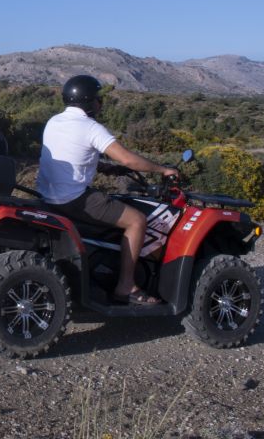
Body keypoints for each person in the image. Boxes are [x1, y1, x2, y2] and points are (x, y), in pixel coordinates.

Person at [36, 74, 178, 306]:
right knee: (137, 221)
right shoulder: (91, 127)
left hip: (48, 196)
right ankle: (126, 287)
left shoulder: (54, 121)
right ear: (89, 101)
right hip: (73, 199)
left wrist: (104, 167)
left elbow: (71, 155)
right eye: (97, 99)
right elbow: (128, 160)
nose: (100, 103)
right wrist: (163, 169)